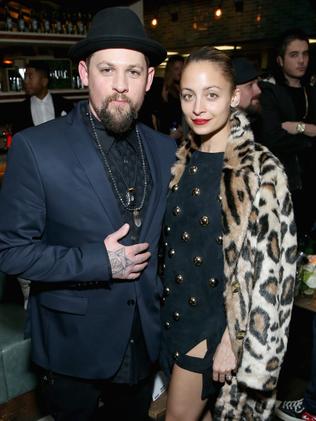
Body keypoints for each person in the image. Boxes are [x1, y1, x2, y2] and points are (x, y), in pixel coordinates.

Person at [0, 7, 176, 421]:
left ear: (149, 80)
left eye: (133, 73)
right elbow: (10, 252)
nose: (120, 86)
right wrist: (100, 262)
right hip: (72, 345)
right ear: (83, 73)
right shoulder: (36, 148)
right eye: (106, 70)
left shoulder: (166, 150)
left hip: (144, 338)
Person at [159, 46, 297, 421]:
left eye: (212, 94)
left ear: (234, 96)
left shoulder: (261, 170)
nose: (198, 107)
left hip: (212, 328)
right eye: (189, 95)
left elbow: (272, 274)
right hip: (175, 319)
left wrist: (232, 343)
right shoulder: (182, 158)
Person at [260, 28, 316, 247]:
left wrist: (299, 128)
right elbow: (273, 138)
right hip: (286, 182)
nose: (301, 60)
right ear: (280, 60)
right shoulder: (269, 92)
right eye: (294, 55)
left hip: (311, 178)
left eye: (305, 54)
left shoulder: (311, 91)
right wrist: (310, 133)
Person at [12, 61, 73, 134]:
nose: (25, 81)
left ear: (44, 81)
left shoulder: (65, 104)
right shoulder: (20, 110)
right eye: (25, 77)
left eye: (30, 76)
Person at [155, 54, 185, 143]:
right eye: (176, 69)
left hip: (186, 133)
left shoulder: (186, 88)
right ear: (170, 71)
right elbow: (162, 117)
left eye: (182, 68)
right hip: (172, 136)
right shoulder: (165, 89)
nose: (180, 72)